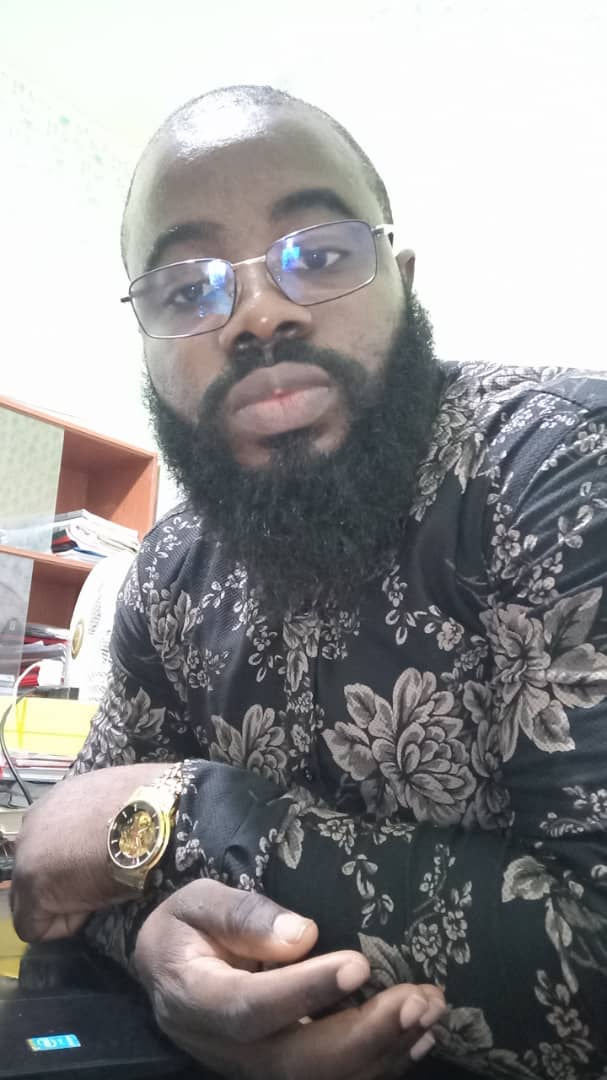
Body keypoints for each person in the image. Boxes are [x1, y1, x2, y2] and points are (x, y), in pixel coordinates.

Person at [11, 84, 607, 1080]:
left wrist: (191, 816)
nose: (258, 313)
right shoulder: (169, 568)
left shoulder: (560, 470)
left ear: (401, 281)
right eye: (187, 290)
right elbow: (55, 877)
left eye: (319, 256)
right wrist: (165, 957)